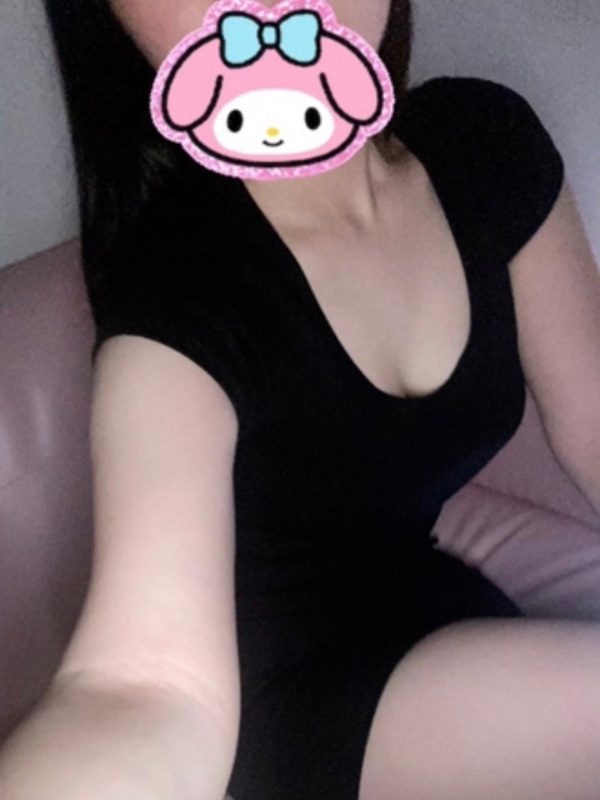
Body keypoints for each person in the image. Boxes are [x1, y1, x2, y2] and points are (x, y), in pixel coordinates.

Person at [1, 1, 600, 799]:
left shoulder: (487, 146)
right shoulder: (177, 300)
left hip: (438, 614)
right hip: (282, 702)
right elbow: (147, 684)